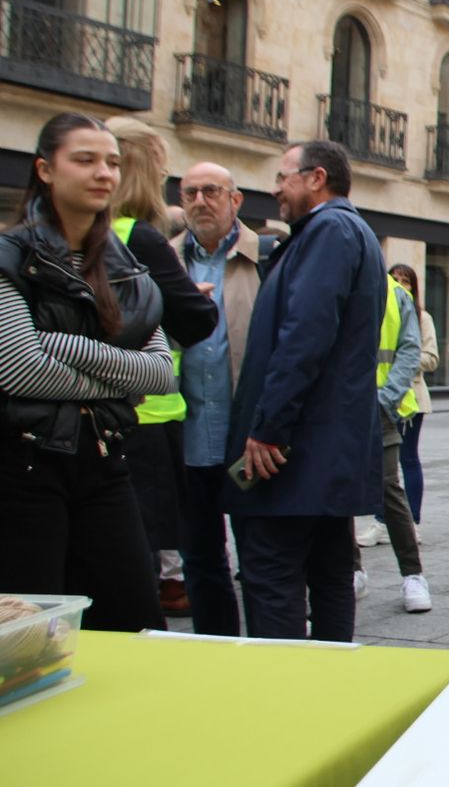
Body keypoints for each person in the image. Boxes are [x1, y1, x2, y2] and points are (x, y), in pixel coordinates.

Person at [0, 112, 176, 630]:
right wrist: (115, 379)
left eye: (113, 162)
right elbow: (20, 370)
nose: (104, 172)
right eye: (85, 160)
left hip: (104, 461)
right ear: (46, 169)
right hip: (23, 467)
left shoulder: (127, 269)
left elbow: (161, 373)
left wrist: (63, 346)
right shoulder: (11, 257)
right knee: (28, 633)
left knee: (136, 624)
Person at [223, 141, 386, 642]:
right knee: (330, 571)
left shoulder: (330, 229)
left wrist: (269, 426)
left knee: (273, 575)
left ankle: (284, 694)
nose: (275, 189)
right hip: (323, 451)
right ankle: (324, 687)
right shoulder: (343, 231)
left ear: (316, 178)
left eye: (282, 176)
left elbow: (305, 334)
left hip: (296, 452)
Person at [104, 116, 219, 616]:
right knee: (148, 548)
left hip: (97, 412)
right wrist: (191, 297)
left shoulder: (89, 230)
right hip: (151, 414)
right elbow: (195, 320)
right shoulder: (141, 237)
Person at [173, 161, 274, 636]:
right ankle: (215, 645)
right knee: (200, 558)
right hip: (186, 436)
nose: (199, 201)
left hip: (247, 438)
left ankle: (263, 652)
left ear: (235, 201)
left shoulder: (266, 259)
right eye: (189, 192)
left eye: (211, 191)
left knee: (259, 556)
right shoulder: (166, 261)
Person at [352, 268, 430, 612]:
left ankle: (413, 574)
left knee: (389, 488)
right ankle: (352, 569)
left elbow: (410, 351)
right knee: (336, 491)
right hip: (337, 408)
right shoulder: (329, 282)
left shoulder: (395, 294)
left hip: (380, 409)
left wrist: (383, 400)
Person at [387, 264, 438, 532]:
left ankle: (413, 521)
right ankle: (381, 521)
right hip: (384, 397)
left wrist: (404, 359)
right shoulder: (381, 311)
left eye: (405, 281)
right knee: (382, 466)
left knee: (407, 458)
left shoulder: (422, 317)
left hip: (413, 398)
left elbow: (432, 358)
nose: (399, 284)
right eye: (394, 279)